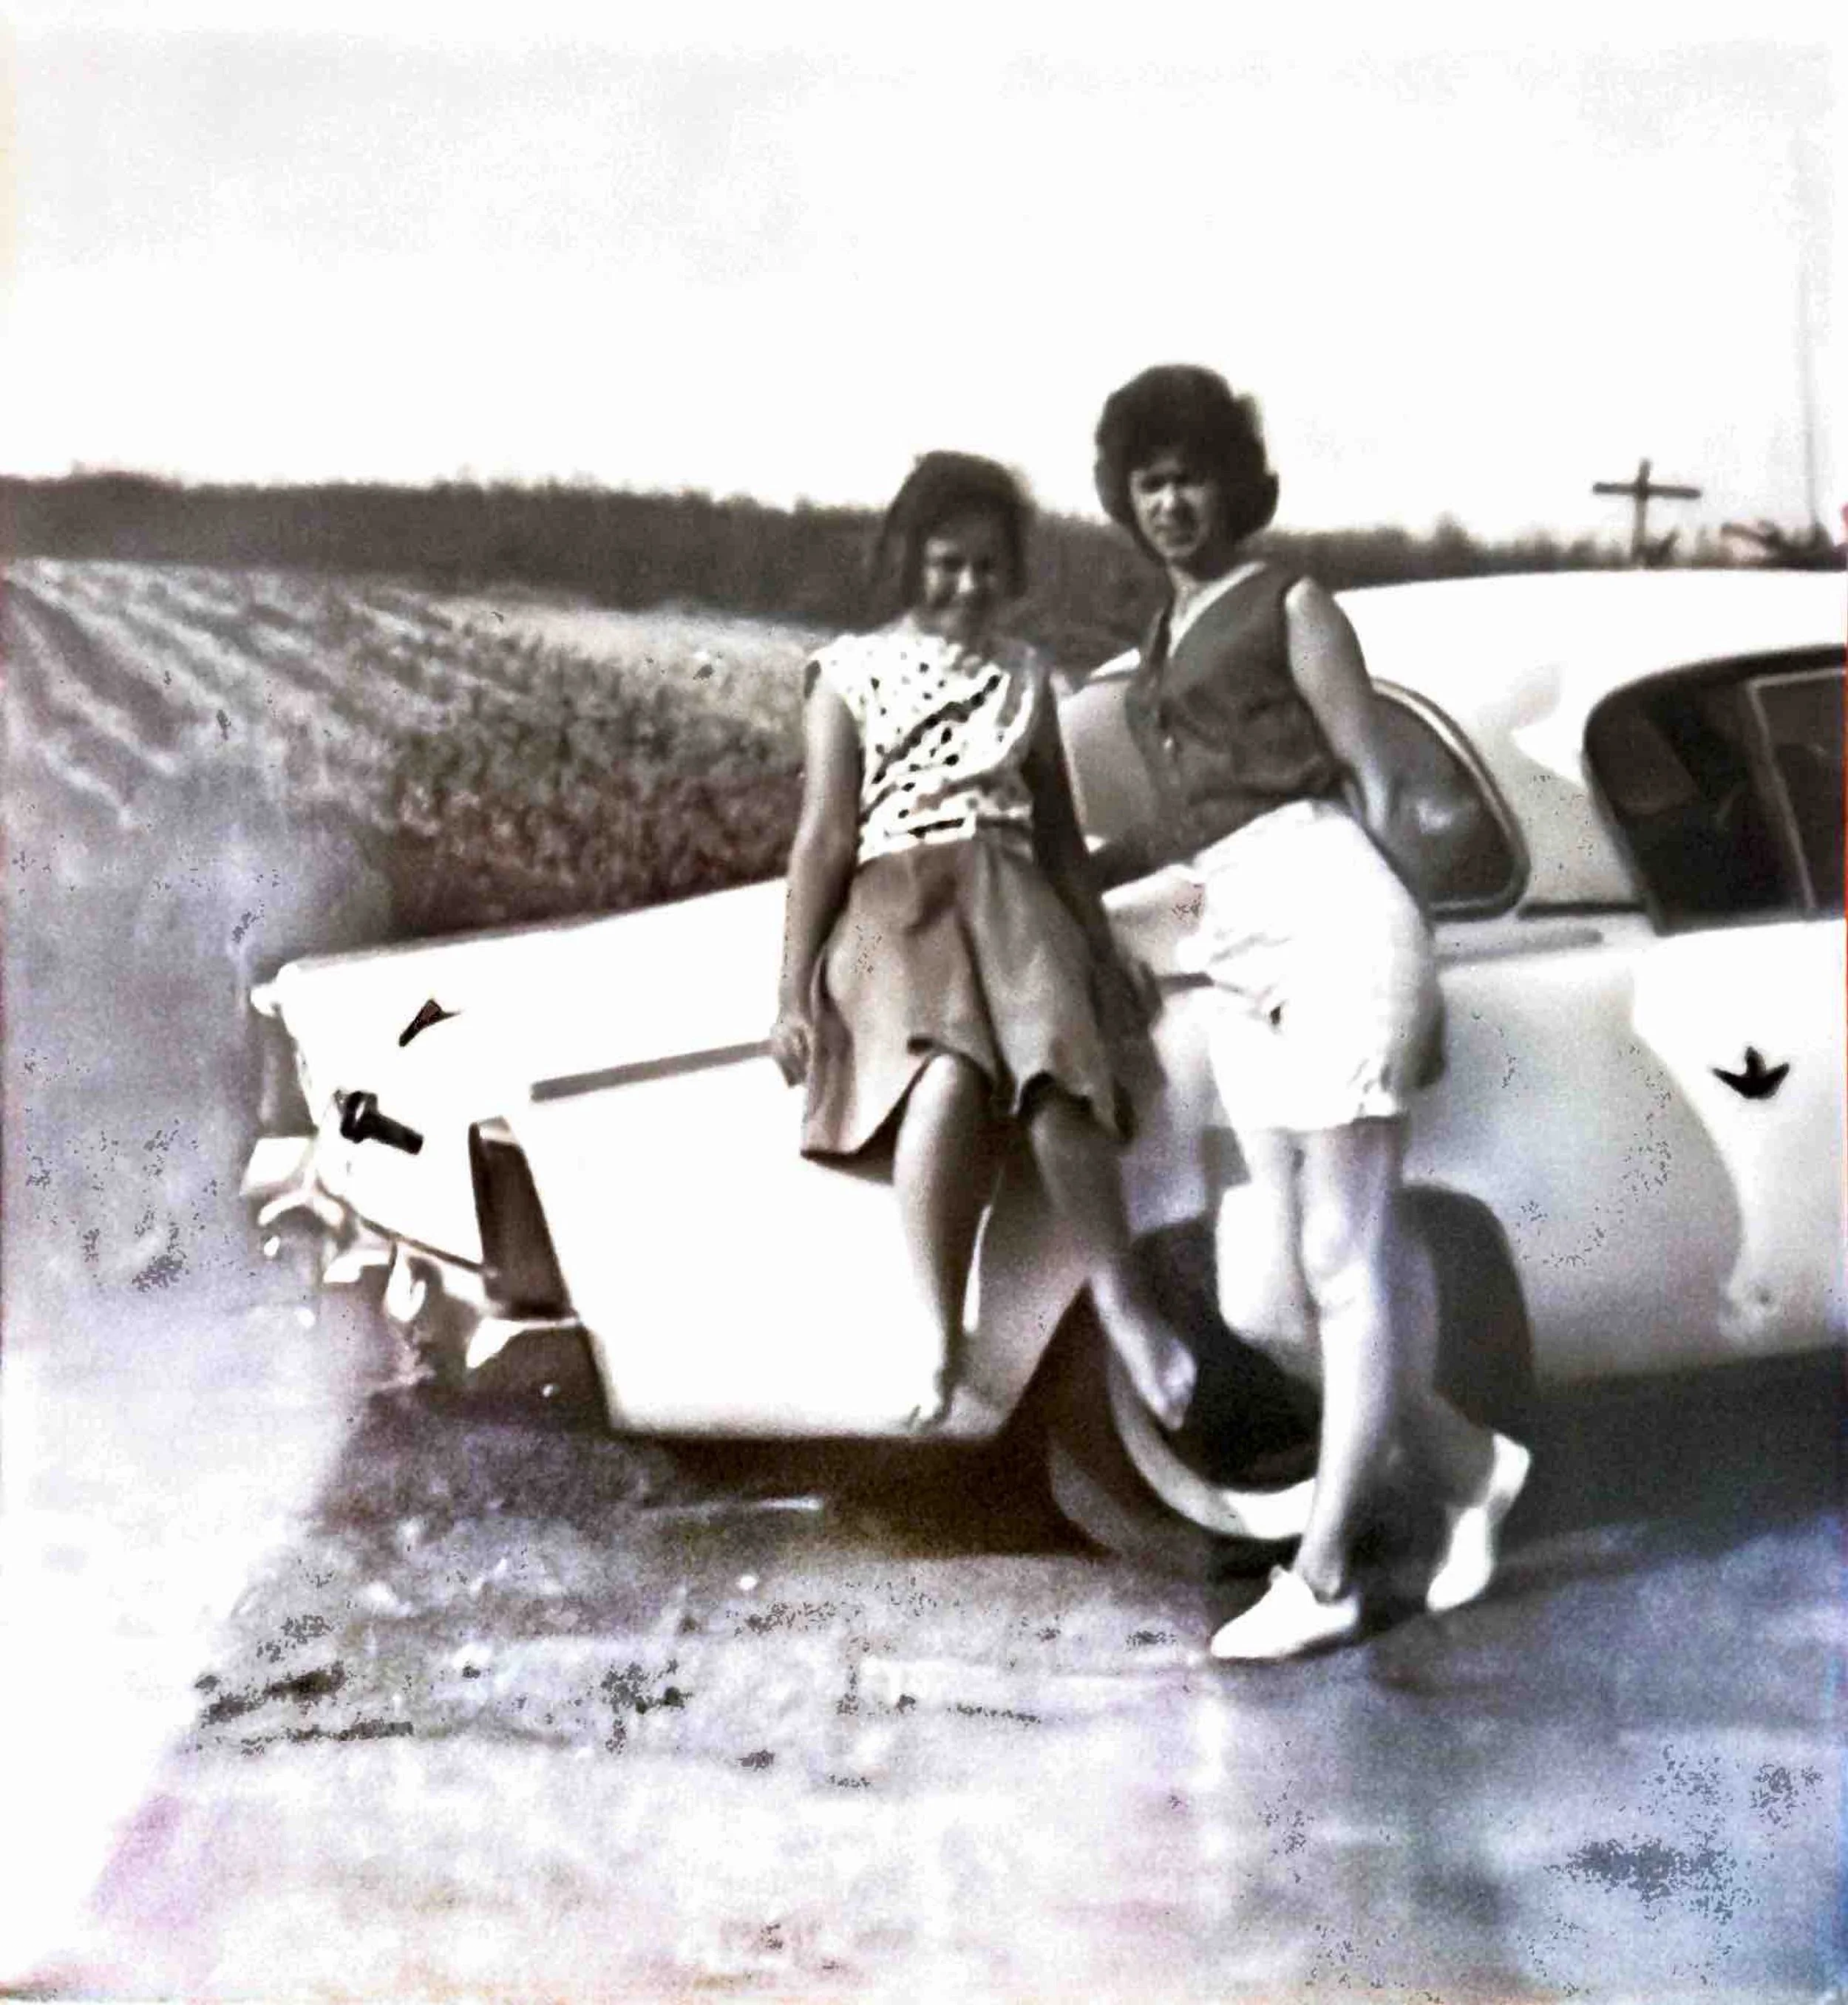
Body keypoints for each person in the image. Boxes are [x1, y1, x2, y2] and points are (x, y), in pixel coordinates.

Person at [1090, 366, 1531, 1660]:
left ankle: (1325, 1574)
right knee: (1265, 1298)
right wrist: (1092, 916)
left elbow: (1377, 790)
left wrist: (1419, 960)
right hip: (1238, 941)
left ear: (1235, 483)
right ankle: (1470, 1468)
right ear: (1125, 496)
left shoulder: (1292, 599)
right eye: (1150, 480)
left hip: (1340, 916)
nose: (1172, 501)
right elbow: (1202, 856)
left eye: (1193, 475)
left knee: (1345, 1261)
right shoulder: (1160, 640)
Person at [770, 451, 1194, 1432]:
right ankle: (937, 1330)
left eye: (989, 568)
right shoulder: (847, 672)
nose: (969, 586)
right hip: (896, 902)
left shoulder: (1025, 676)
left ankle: (1126, 1305)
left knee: (1059, 1080)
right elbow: (824, 837)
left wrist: (1099, 948)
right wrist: (791, 994)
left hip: (1011, 893)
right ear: (908, 559)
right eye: (948, 564)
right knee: (946, 1081)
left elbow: (1059, 836)